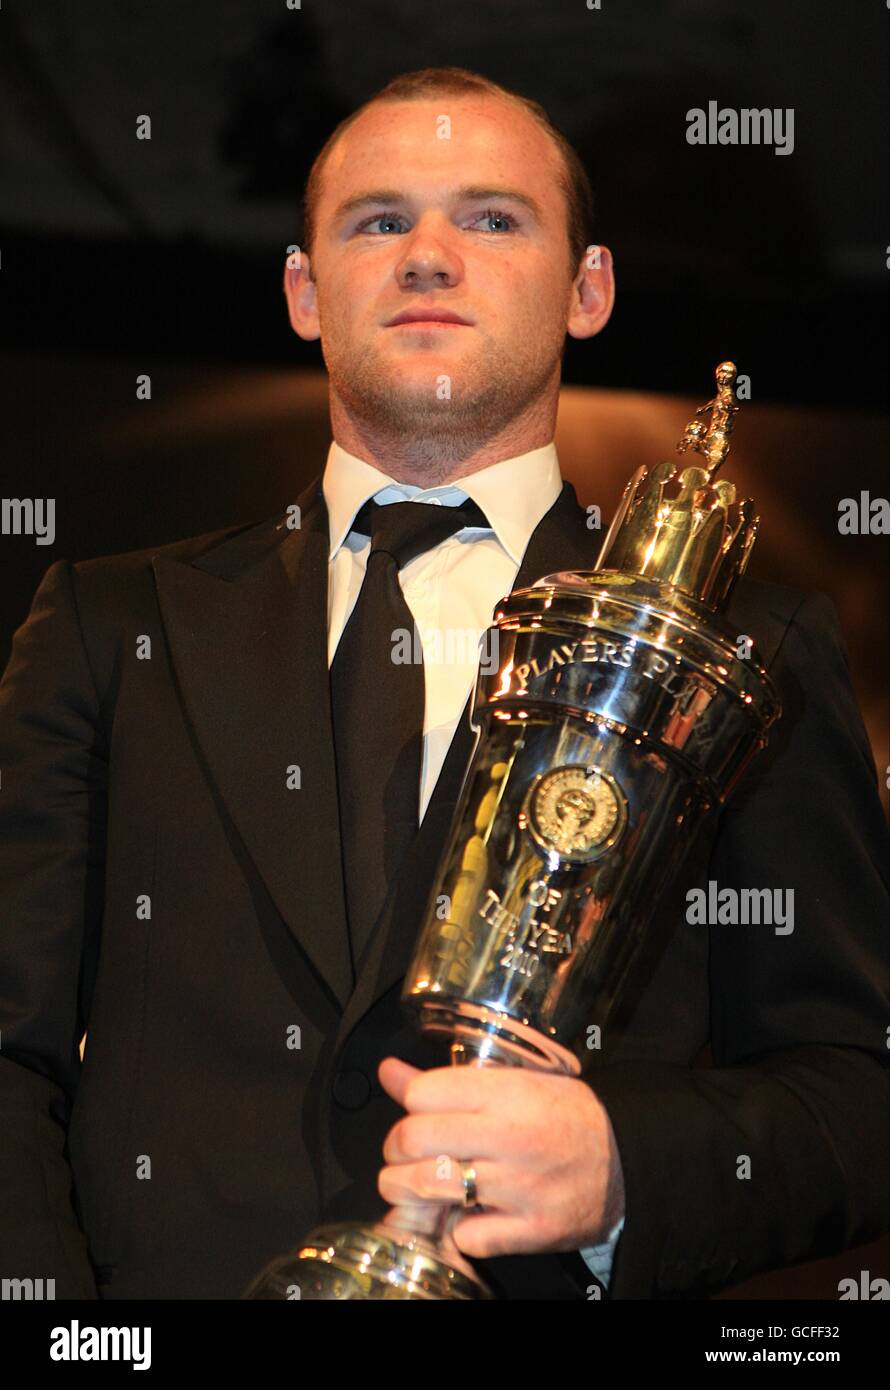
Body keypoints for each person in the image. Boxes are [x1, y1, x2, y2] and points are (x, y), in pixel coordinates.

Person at [0, 66, 886, 1302]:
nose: (427, 256)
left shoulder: (747, 650)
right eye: (378, 220)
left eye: (489, 218)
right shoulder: (107, 623)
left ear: (589, 291)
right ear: (305, 295)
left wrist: (626, 1169)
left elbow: (854, 1087)